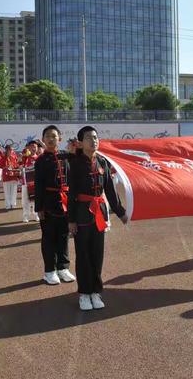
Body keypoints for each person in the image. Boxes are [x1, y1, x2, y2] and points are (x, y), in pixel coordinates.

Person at [68, 126, 128, 311]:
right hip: (81, 213)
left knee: (97, 253)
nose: (93, 140)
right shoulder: (74, 163)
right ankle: (84, 294)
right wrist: (71, 220)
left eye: (95, 137)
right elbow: (71, 194)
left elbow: (110, 189)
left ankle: (96, 291)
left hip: (100, 214)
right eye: (88, 138)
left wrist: (120, 212)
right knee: (83, 254)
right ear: (80, 142)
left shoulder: (103, 161)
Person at [35, 125, 75, 285]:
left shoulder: (67, 157)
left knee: (64, 236)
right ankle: (49, 271)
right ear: (43, 140)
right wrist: (39, 208)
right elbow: (38, 185)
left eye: (54, 136)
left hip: (66, 201)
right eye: (48, 136)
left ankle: (63, 268)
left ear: (60, 138)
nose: (51, 139)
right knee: (49, 238)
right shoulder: (40, 161)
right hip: (48, 202)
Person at [21, 140, 39, 223]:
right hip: (26, 182)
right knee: (26, 199)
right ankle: (26, 215)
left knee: (36, 199)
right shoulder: (25, 157)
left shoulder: (39, 158)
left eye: (35, 147)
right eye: (32, 147)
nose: (33, 148)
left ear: (37, 148)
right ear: (29, 148)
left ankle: (36, 214)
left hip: (36, 182)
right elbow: (20, 165)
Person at [1, 144, 20, 210]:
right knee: (7, 191)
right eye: (9, 150)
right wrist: (6, 167)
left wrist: (17, 168)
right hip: (6, 176)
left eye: (12, 150)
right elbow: (1, 166)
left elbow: (16, 165)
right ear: (6, 150)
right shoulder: (3, 157)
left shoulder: (14, 157)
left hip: (13, 176)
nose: (11, 151)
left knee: (14, 191)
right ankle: (8, 204)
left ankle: (13, 204)